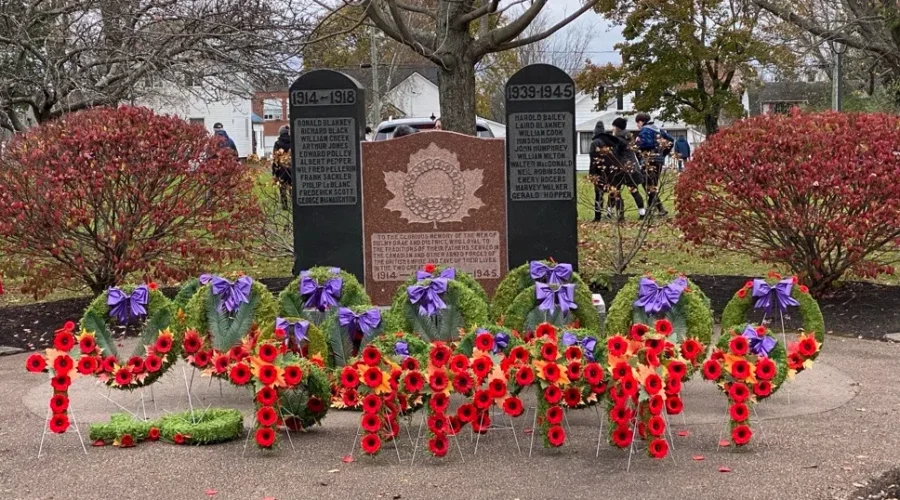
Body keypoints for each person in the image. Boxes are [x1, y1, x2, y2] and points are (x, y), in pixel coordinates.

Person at [635, 112, 674, 216]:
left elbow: (646, 144)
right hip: (659, 161)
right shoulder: (658, 130)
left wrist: (637, 143)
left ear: (641, 122)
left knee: (647, 184)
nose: (637, 126)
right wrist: (663, 154)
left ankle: (657, 209)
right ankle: (658, 210)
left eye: (637, 123)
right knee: (653, 185)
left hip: (649, 160)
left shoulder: (645, 130)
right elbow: (671, 140)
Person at [611, 117, 646, 219]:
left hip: (621, 168)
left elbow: (614, 154)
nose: (612, 129)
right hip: (632, 167)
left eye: (614, 127)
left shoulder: (618, 140)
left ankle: (620, 214)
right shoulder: (629, 138)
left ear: (618, 128)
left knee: (616, 191)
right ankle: (642, 213)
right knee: (634, 191)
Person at [272, 125, 292, 210]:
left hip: (281, 169)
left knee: (282, 188)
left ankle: (285, 205)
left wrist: (274, 171)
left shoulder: (277, 144)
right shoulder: (293, 142)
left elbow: (275, 159)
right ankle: (293, 205)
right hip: (291, 169)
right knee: (292, 187)